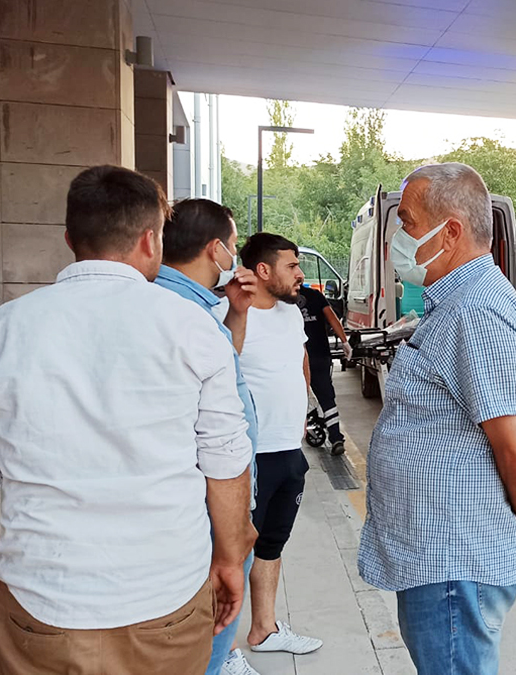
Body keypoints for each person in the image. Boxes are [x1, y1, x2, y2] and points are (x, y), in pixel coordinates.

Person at [0, 166, 255, 674]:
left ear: (70, 238)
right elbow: (225, 463)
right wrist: (228, 559)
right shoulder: (194, 331)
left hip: (37, 606)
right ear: (151, 240)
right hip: (166, 599)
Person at [358, 163, 516, 675]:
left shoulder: (476, 311)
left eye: (405, 222)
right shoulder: (461, 305)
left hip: (453, 559)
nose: (397, 239)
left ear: (449, 232)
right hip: (445, 551)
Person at [156, 198, 264, 675]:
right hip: (204, 516)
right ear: (215, 249)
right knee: (207, 640)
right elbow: (218, 444)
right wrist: (233, 537)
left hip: (197, 514)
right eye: (234, 248)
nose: (235, 261)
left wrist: (234, 312)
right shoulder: (182, 314)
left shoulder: (192, 309)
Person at [214, 233, 323, 656]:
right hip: (247, 456)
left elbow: (300, 366)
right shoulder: (225, 313)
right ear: (263, 270)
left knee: (271, 545)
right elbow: (221, 371)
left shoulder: (290, 315)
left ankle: (264, 629)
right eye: (292, 266)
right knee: (232, 554)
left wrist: (303, 416)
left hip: (288, 450)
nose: (300, 274)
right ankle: (222, 653)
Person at [297, 283, 350, 455]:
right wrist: (345, 342)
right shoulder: (315, 296)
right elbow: (332, 318)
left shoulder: (280, 298)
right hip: (319, 355)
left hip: (294, 358)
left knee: (295, 397)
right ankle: (335, 438)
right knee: (327, 397)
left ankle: (294, 439)